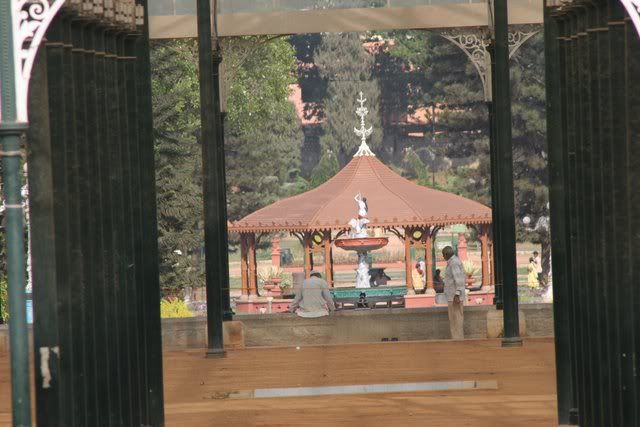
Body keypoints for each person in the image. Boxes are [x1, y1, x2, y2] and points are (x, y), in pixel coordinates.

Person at [442, 246, 466, 340]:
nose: (443, 257)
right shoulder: (453, 262)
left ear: (447, 254)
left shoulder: (454, 263)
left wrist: (457, 294)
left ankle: (458, 339)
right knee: (454, 319)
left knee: (456, 318)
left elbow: (459, 280)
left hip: (454, 296)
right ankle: (456, 338)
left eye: (443, 255)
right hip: (452, 296)